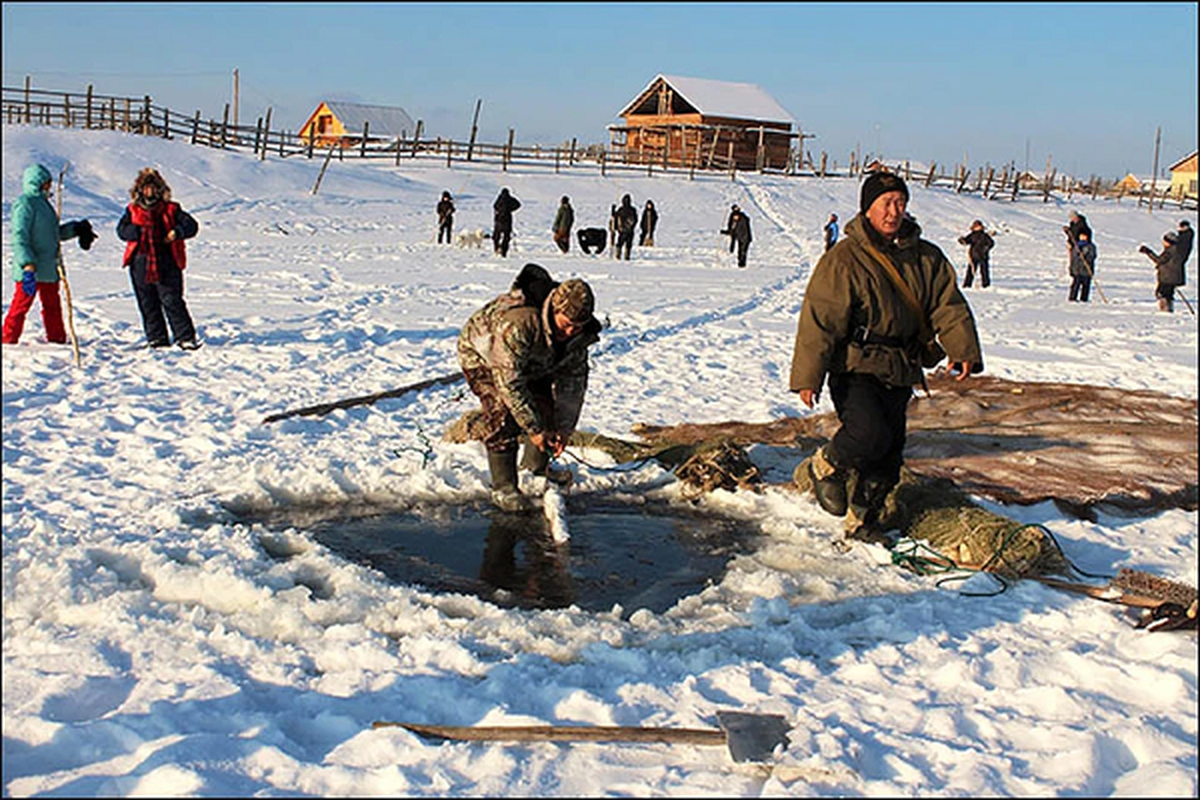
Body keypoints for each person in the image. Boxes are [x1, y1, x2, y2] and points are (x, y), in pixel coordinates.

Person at [789, 171, 983, 539]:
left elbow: (948, 306)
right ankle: (826, 465)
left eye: (900, 203)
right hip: (855, 365)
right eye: (886, 204)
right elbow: (821, 318)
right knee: (868, 434)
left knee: (889, 456)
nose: (894, 212)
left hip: (901, 366)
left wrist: (963, 350)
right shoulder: (845, 258)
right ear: (867, 208)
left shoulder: (926, 257)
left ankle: (864, 519)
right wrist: (807, 376)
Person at [457, 264, 602, 511]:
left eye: (577, 327)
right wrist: (534, 429)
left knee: (546, 406)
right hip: (483, 357)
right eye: (566, 324)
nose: (570, 332)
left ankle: (534, 471)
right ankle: (504, 487)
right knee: (502, 412)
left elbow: (573, 385)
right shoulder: (519, 323)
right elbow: (509, 383)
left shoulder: (577, 335)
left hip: (534, 359)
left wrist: (564, 428)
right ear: (554, 310)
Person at [3, 164, 96, 345]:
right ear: (37, 182)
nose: (49, 186)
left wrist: (76, 228)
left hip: (49, 268)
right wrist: (27, 263)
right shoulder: (25, 204)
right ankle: (7, 340)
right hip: (31, 268)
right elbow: (20, 236)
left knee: (53, 307)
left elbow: (53, 234)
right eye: (46, 182)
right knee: (20, 306)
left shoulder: (45, 205)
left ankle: (57, 340)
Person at [117, 168, 201, 349]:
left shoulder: (172, 209)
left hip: (167, 260)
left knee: (172, 300)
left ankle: (185, 337)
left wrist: (176, 232)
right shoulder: (132, 210)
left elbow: (192, 226)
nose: (150, 192)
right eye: (146, 188)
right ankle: (156, 338)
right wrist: (136, 232)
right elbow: (121, 231)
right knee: (147, 302)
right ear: (139, 190)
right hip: (140, 261)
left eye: (154, 188)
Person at [1139, 232, 1185, 312]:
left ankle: (1165, 310)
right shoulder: (1177, 250)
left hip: (1167, 278)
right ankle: (1168, 309)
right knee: (1168, 294)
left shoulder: (1170, 251)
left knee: (1162, 293)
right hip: (1173, 277)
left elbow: (1159, 260)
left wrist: (1148, 252)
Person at [957, 219, 995, 288]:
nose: (978, 228)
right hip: (973, 256)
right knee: (970, 271)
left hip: (983, 256)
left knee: (984, 272)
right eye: (976, 226)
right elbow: (966, 241)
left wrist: (986, 248)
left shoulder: (984, 235)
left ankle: (986, 285)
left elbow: (991, 243)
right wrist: (962, 240)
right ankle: (967, 285)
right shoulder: (972, 235)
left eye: (979, 226)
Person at [1068, 230, 1097, 303]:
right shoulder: (1076, 245)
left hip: (1086, 269)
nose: (1082, 237)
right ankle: (1072, 298)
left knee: (1086, 285)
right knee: (1075, 285)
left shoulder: (1090, 246)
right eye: (1081, 236)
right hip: (1077, 269)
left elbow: (1092, 256)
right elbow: (1073, 257)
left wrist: (1084, 255)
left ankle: (1084, 299)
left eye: (1084, 236)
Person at [492, 188, 521, 257]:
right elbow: (518, 204)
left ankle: (496, 248)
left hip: (498, 220)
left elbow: (495, 207)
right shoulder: (509, 199)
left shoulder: (499, 199)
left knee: (496, 236)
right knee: (506, 237)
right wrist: (510, 209)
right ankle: (504, 250)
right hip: (507, 221)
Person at [614, 194, 638, 260]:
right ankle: (619, 255)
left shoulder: (631, 210)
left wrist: (631, 226)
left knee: (627, 244)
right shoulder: (621, 209)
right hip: (623, 230)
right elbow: (616, 218)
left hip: (628, 230)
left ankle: (626, 256)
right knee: (621, 244)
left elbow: (635, 219)